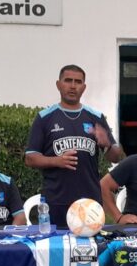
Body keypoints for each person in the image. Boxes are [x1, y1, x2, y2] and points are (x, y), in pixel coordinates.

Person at [25, 64, 123, 228]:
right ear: (58, 84)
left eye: (78, 82)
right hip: (56, 200)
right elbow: (30, 158)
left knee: (90, 243)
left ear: (84, 87)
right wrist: (56, 161)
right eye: (68, 80)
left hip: (89, 201)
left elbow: (116, 157)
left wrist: (107, 144)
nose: (72, 86)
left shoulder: (95, 117)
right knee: (55, 243)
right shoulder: (45, 118)